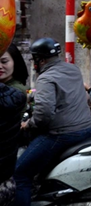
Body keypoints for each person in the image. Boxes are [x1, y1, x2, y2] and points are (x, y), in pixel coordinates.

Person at [15, 38, 91, 206]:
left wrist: (28, 124)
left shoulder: (46, 77)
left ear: (40, 60)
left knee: (21, 173)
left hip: (62, 134)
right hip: (86, 129)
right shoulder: (73, 69)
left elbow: (43, 115)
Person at [0, 45, 28, 206]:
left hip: (9, 155)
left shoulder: (15, 91)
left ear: (15, 62)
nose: (0, 67)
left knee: (23, 175)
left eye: (4, 61)